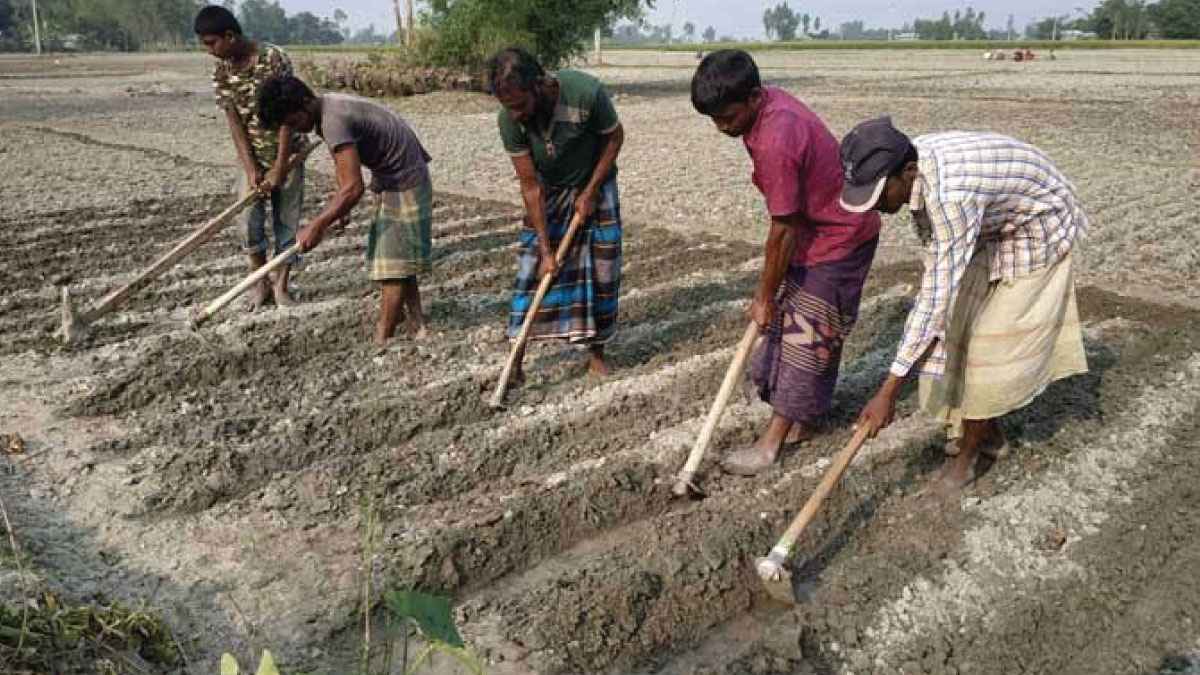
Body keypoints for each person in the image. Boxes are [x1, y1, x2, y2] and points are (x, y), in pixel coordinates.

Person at [841, 117, 1089, 495]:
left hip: (1038, 228)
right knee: (956, 328)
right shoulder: (911, 167)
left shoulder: (951, 195)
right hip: (991, 227)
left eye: (878, 196)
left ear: (907, 172)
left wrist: (888, 392)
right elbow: (939, 277)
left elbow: (935, 296)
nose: (875, 208)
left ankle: (970, 455)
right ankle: (990, 435)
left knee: (986, 349)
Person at [690, 50, 882, 476]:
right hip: (814, 231)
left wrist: (763, 295)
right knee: (787, 328)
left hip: (837, 237)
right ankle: (799, 419)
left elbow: (783, 227)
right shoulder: (764, 109)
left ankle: (771, 443)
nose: (722, 128)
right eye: (715, 119)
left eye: (728, 117)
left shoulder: (778, 135)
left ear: (755, 96)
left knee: (807, 335)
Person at [257, 76, 434, 345]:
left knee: (392, 267)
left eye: (293, 123)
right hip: (397, 175)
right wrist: (339, 208)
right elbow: (346, 176)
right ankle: (416, 323)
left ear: (305, 103)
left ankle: (382, 339)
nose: (295, 130)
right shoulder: (329, 108)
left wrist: (317, 224)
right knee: (399, 257)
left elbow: (353, 187)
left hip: (404, 180)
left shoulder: (333, 121)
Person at [488, 47, 625, 384]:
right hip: (548, 191)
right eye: (509, 107)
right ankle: (516, 360)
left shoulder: (585, 93)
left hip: (596, 183)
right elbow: (530, 186)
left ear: (539, 85)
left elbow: (614, 138)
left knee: (602, 270)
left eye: (520, 105)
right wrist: (547, 250)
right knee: (532, 270)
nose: (516, 114)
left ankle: (596, 354)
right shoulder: (509, 120)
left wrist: (591, 190)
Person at [195, 5, 304, 310]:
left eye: (211, 43)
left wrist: (280, 167)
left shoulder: (273, 59)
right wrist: (251, 167)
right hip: (252, 157)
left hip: (288, 152)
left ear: (230, 36)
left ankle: (281, 286)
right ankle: (260, 284)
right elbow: (234, 122)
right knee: (248, 223)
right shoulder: (222, 72)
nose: (209, 51)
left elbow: (287, 114)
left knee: (287, 223)